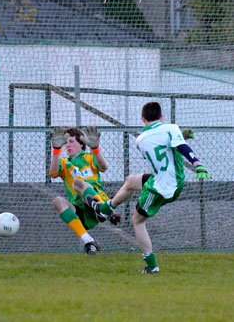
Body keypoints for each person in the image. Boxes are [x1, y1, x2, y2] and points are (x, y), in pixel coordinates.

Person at [86, 102, 211, 273]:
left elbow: (161, 147)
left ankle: (151, 266)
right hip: (172, 180)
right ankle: (105, 209)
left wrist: (180, 138)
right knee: (130, 181)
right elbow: (177, 147)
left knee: (137, 220)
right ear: (162, 117)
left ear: (142, 119)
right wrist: (197, 163)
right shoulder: (171, 128)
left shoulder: (140, 140)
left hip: (161, 187)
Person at [49, 126, 120, 256]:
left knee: (78, 183)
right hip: (81, 208)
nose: (67, 145)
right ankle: (89, 241)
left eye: (71, 141)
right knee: (57, 201)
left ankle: (103, 209)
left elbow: (103, 167)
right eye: (65, 143)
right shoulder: (64, 163)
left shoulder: (88, 156)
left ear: (81, 144)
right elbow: (53, 173)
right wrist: (56, 150)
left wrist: (95, 149)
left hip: (97, 198)